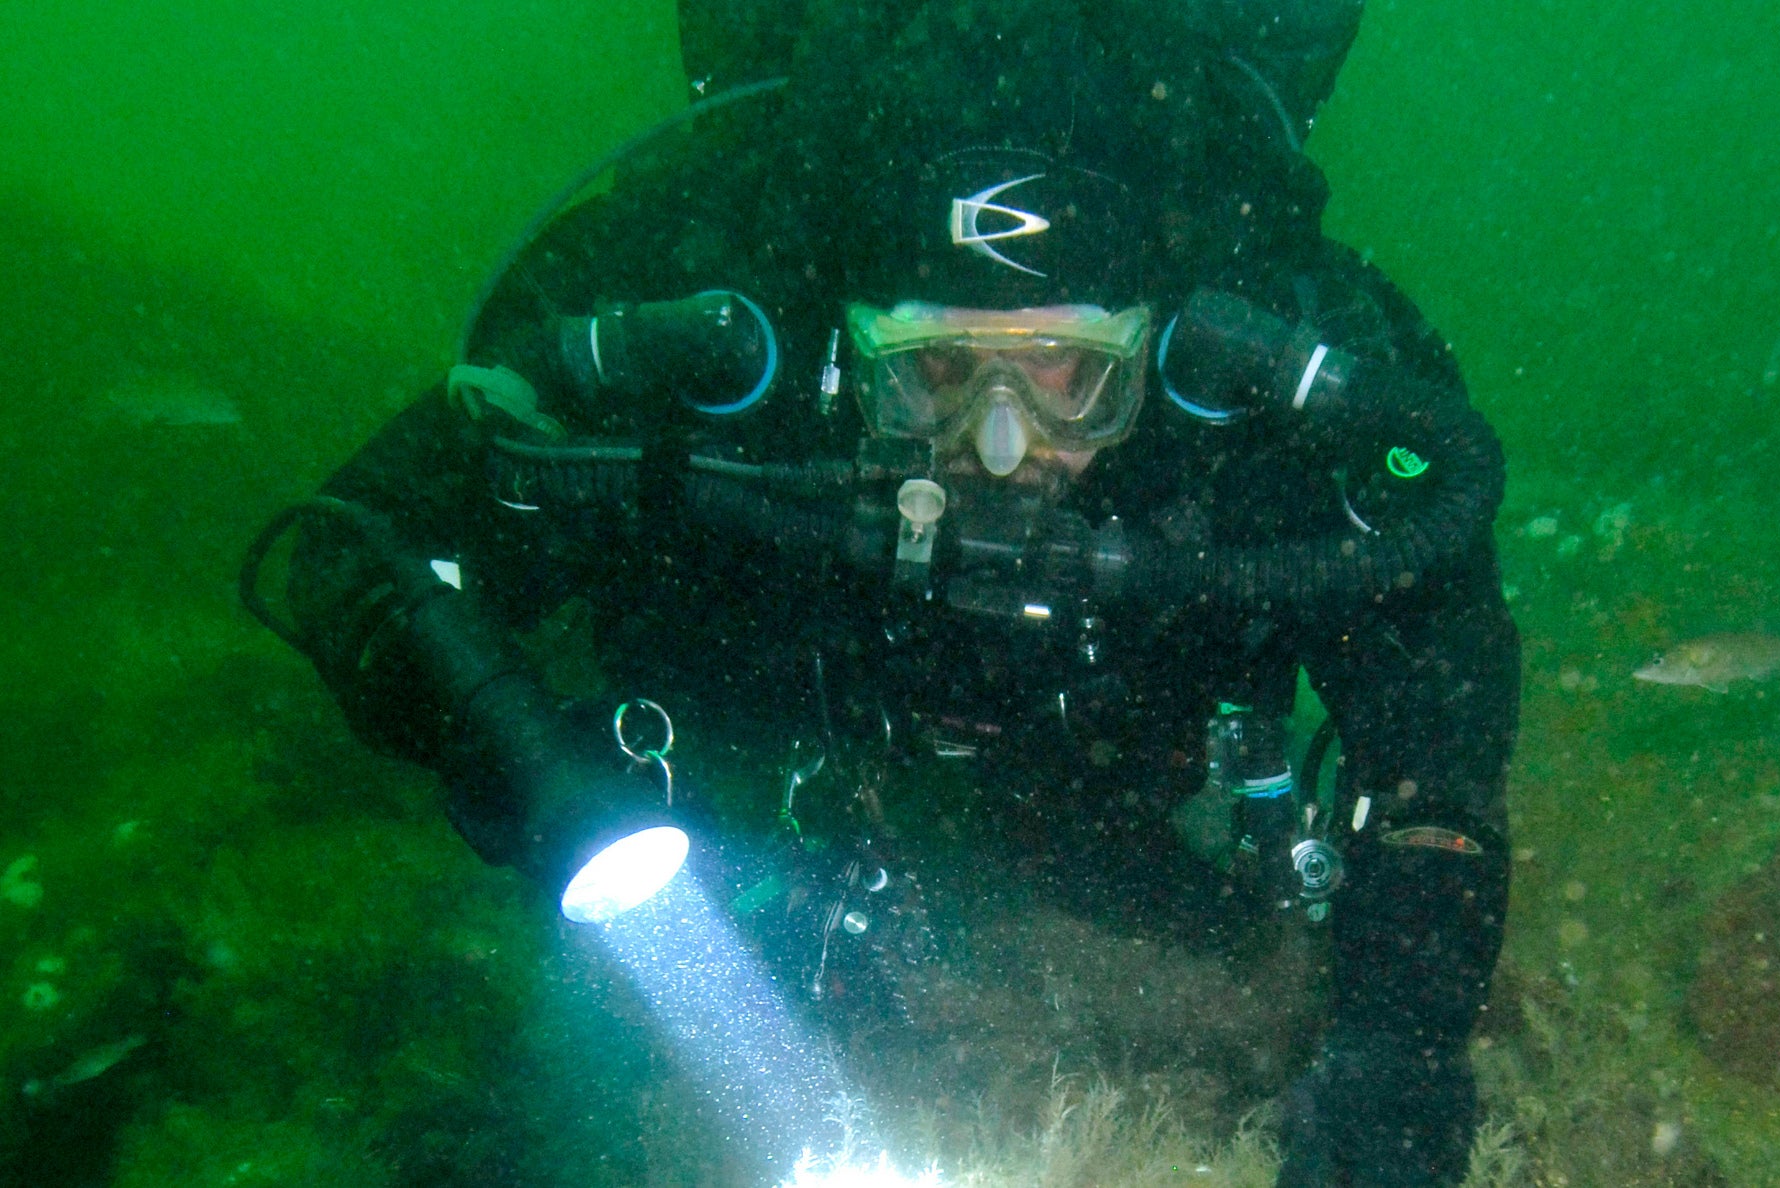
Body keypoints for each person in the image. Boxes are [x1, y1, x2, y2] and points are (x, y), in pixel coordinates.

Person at [244, 2, 1518, 1183]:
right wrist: (530, 769)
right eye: (934, 374)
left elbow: (1436, 711)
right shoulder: (710, 322)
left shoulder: (1271, 375)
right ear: (842, 355)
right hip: (748, 829)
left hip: (1124, 815)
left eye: (1074, 378)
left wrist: (1401, 1047)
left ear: (1159, 353)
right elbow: (357, 550)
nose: (1002, 444)